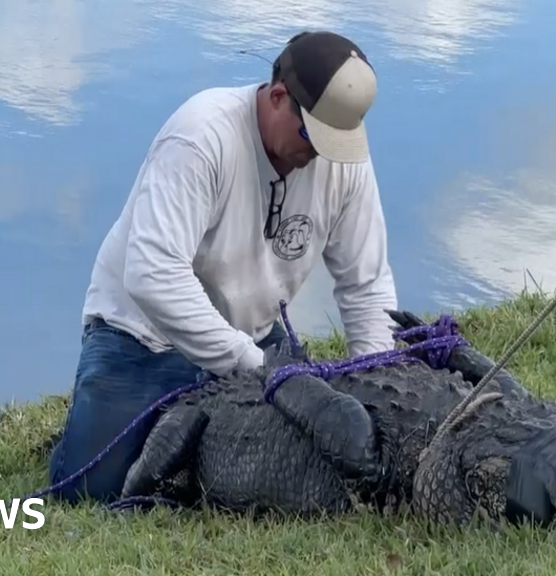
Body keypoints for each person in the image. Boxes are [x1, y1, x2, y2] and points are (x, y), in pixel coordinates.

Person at [48, 29, 399, 505]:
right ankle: (100, 421)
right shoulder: (200, 137)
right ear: (278, 97)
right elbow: (153, 273)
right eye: (311, 138)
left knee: (315, 469)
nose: (319, 155)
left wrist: (373, 380)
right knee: (91, 492)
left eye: (333, 145)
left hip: (253, 341)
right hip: (143, 339)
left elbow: (367, 285)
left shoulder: (341, 158)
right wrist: (251, 365)